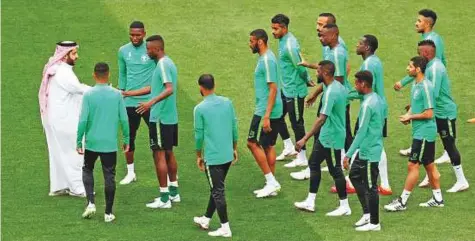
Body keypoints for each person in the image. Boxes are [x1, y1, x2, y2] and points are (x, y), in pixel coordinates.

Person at [399, 40, 468, 191]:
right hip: (436, 111)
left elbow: (433, 94)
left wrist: (413, 111)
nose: (418, 55)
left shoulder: (436, 68)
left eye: (419, 53)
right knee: (429, 145)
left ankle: (461, 180)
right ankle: (430, 176)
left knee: (449, 145)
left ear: (425, 53)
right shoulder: (428, 66)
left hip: (444, 113)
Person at [292, 20, 352, 181]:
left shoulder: (337, 53)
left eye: (323, 35)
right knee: (341, 134)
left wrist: (316, 93)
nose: (320, 38)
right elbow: (327, 70)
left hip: (334, 100)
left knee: (327, 131)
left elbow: (336, 80)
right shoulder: (332, 49)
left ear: (334, 35)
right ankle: (326, 164)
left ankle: (318, 166)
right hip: (333, 98)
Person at [384, 56, 444, 212]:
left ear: (418, 69)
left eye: (410, 66)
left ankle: (402, 202)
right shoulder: (415, 84)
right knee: (430, 165)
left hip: (424, 133)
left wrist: (410, 116)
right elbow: (417, 106)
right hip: (419, 131)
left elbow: (429, 113)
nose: (407, 68)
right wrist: (409, 115)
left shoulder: (425, 86)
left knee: (413, 165)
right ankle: (438, 198)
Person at [294, 60, 351, 216]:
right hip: (327, 135)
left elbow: (321, 118)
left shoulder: (332, 91)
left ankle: (344, 206)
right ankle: (310, 201)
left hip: (332, 137)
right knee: (313, 163)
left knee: (335, 170)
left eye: (318, 71)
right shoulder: (335, 86)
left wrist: (304, 139)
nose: (316, 73)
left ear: (325, 73)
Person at [77, 62, 130, 222]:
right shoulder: (116, 95)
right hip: (109, 144)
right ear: (108, 75)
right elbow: (124, 119)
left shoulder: (88, 95)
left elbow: (83, 119)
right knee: (109, 176)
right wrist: (127, 139)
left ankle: (91, 203)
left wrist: (79, 140)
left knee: (87, 169)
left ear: (94, 75)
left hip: (92, 142)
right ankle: (108, 213)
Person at [39, 41, 90, 197]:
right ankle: (77, 188)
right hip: (65, 120)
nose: (77, 56)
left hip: (55, 119)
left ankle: (60, 185)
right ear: (65, 54)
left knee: (59, 152)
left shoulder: (57, 70)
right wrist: (102, 90)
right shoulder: (63, 73)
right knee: (75, 152)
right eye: (74, 53)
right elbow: (79, 89)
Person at [396, 9, 448, 163]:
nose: (416, 23)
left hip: (432, 84)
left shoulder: (433, 41)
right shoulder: (429, 38)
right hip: (427, 83)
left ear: (427, 23)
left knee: (431, 117)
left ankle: (447, 151)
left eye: (419, 21)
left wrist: (406, 82)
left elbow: (430, 66)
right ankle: (417, 146)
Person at [137, 35, 180, 208]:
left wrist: (150, 103)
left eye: (149, 49)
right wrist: (128, 93)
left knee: (159, 154)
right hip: (170, 117)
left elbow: (169, 88)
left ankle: (164, 198)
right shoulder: (168, 63)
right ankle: (174, 192)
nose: (147, 52)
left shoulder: (162, 64)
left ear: (157, 49)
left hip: (160, 118)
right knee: (168, 152)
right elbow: (156, 88)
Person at [192, 74, 238, 238]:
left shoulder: (200, 109)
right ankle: (205, 219)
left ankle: (225, 227)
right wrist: (234, 148)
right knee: (216, 188)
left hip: (213, 157)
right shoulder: (227, 103)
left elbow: (199, 135)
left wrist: (199, 155)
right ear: (214, 85)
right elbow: (234, 125)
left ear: (201, 87)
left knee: (218, 191)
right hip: (227, 154)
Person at [350, 35, 392, 195]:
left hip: (372, 110)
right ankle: (385, 184)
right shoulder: (375, 60)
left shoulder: (368, 64)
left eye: (360, 43)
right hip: (380, 108)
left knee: (361, 140)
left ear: (367, 47)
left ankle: (351, 180)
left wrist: (345, 95)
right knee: (377, 143)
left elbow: (366, 89)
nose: (357, 45)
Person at [117, 21, 156, 185]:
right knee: (128, 137)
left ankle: (166, 175)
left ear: (144, 33)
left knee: (156, 138)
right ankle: (130, 172)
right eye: (132, 34)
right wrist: (121, 93)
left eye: (138, 35)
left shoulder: (151, 50)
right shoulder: (123, 51)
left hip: (149, 102)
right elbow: (123, 74)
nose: (134, 38)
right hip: (129, 103)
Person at [344, 71, 384, 231]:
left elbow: (361, 132)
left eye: (356, 83)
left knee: (371, 186)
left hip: (369, 151)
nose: (355, 85)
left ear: (363, 84)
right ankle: (367, 214)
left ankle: (374, 223)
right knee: (354, 175)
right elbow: (353, 94)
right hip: (367, 148)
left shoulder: (368, 104)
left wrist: (347, 154)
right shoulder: (375, 98)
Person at [270, 14, 310, 167]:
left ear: (284, 28)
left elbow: (300, 65)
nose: (273, 31)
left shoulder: (289, 45)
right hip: (285, 87)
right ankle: (288, 146)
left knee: (296, 123)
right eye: (272, 28)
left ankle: (302, 157)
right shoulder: (283, 40)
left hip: (294, 90)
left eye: (276, 28)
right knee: (278, 115)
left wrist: (306, 79)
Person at [247, 29, 283, 198]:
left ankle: (271, 181)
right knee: (268, 145)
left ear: (260, 42)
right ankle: (271, 184)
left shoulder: (267, 60)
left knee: (251, 142)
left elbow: (273, 88)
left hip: (265, 110)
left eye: (251, 41)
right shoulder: (266, 58)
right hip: (268, 109)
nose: (250, 44)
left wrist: (266, 115)